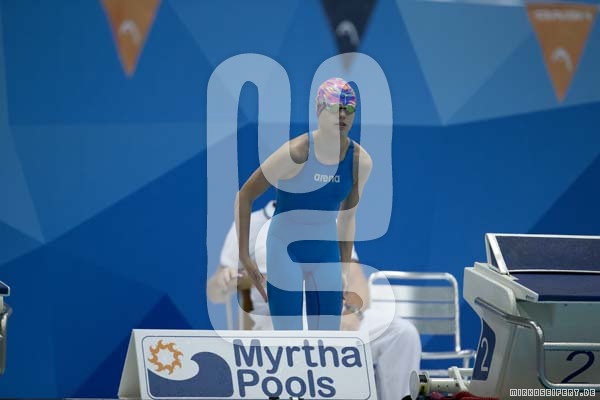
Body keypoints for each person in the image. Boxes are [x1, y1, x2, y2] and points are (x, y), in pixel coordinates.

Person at [207, 200, 422, 399]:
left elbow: (357, 280)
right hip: (277, 323)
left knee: (401, 333)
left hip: (333, 316)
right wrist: (223, 282)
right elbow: (216, 292)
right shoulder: (249, 224)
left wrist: (352, 313)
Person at [235, 77, 372, 330]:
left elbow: (347, 217)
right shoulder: (296, 152)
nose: (342, 114)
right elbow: (245, 195)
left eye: (349, 108)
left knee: (328, 337)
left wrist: (343, 268)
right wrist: (244, 255)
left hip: (325, 251)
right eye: (335, 107)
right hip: (285, 249)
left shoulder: (359, 162)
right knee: (289, 338)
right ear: (319, 110)